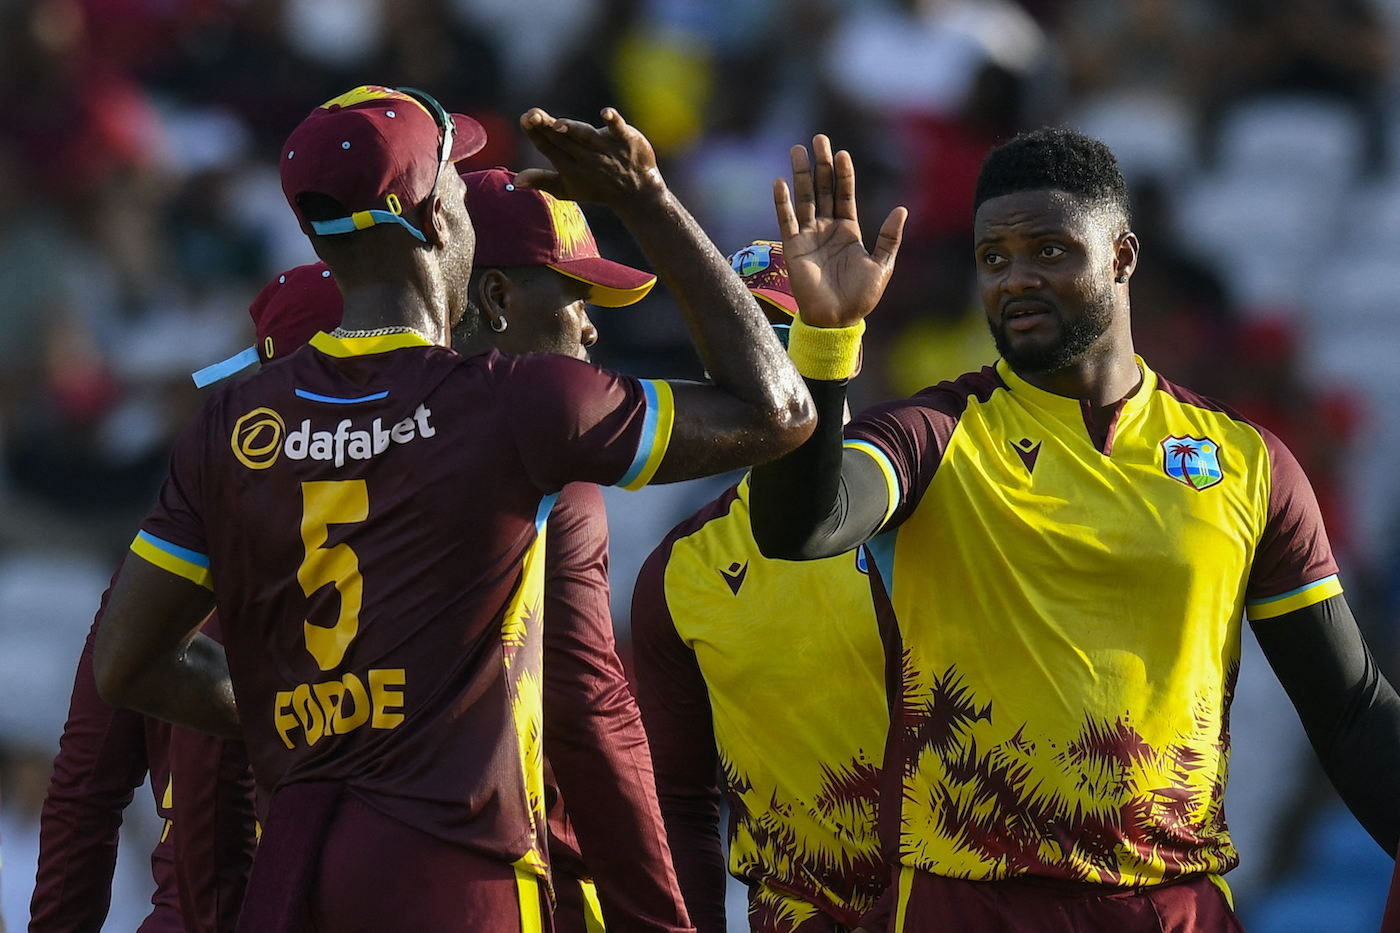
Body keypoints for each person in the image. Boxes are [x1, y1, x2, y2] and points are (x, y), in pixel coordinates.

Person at [89, 84, 813, 933]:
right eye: (460, 188)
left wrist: (318, 717)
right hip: (458, 870)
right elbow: (779, 412)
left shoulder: (230, 424)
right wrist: (644, 197)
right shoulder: (514, 403)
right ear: (436, 219)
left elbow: (125, 663)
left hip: (299, 876)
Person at [747, 127, 1400, 931]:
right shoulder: (935, 434)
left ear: (1122, 256)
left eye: (1049, 251)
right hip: (970, 905)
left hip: (1171, 905)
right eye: (993, 258)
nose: (1016, 278)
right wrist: (824, 344)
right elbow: (800, 524)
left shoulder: (1246, 464)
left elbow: (1348, 708)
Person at [631, 239, 893, 933]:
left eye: (787, 334)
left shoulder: (922, 503)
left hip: (952, 904)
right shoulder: (680, 569)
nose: (766, 362)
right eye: (741, 340)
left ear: (847, 347)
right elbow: (680, 800)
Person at [455, 165, 688, 933]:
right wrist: (656, 920)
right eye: (576, 296)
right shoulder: (545, 464)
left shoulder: (308, 441)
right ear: (495, 298)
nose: (592, 329)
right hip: (501, 876)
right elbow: (587, 708)